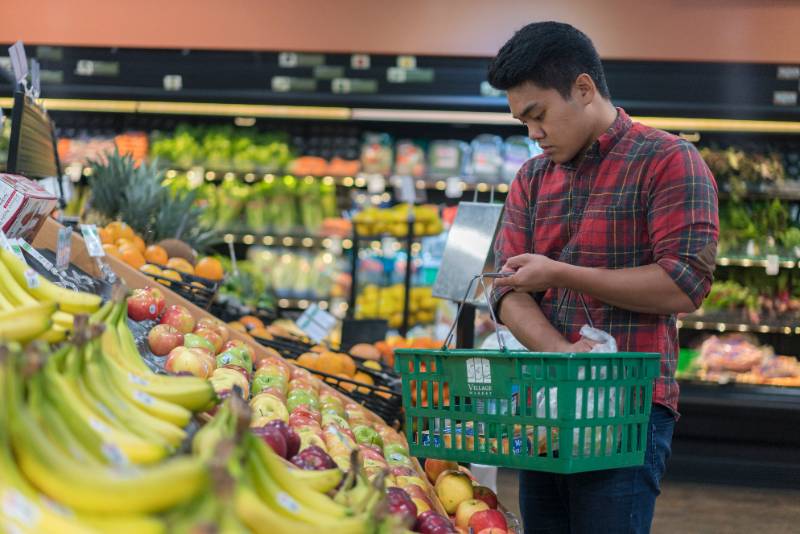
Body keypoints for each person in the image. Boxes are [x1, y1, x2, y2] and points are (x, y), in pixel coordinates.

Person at [487, 22, 719, 534]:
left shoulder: (668, 161)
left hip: (628, 407)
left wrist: (562, 273)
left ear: (584, 89)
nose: (533, 134)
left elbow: (684, 284)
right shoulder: (531, 179)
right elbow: (507, 290)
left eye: (538, 115)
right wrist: (563, 354)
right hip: (545, 405)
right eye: (522, 121)